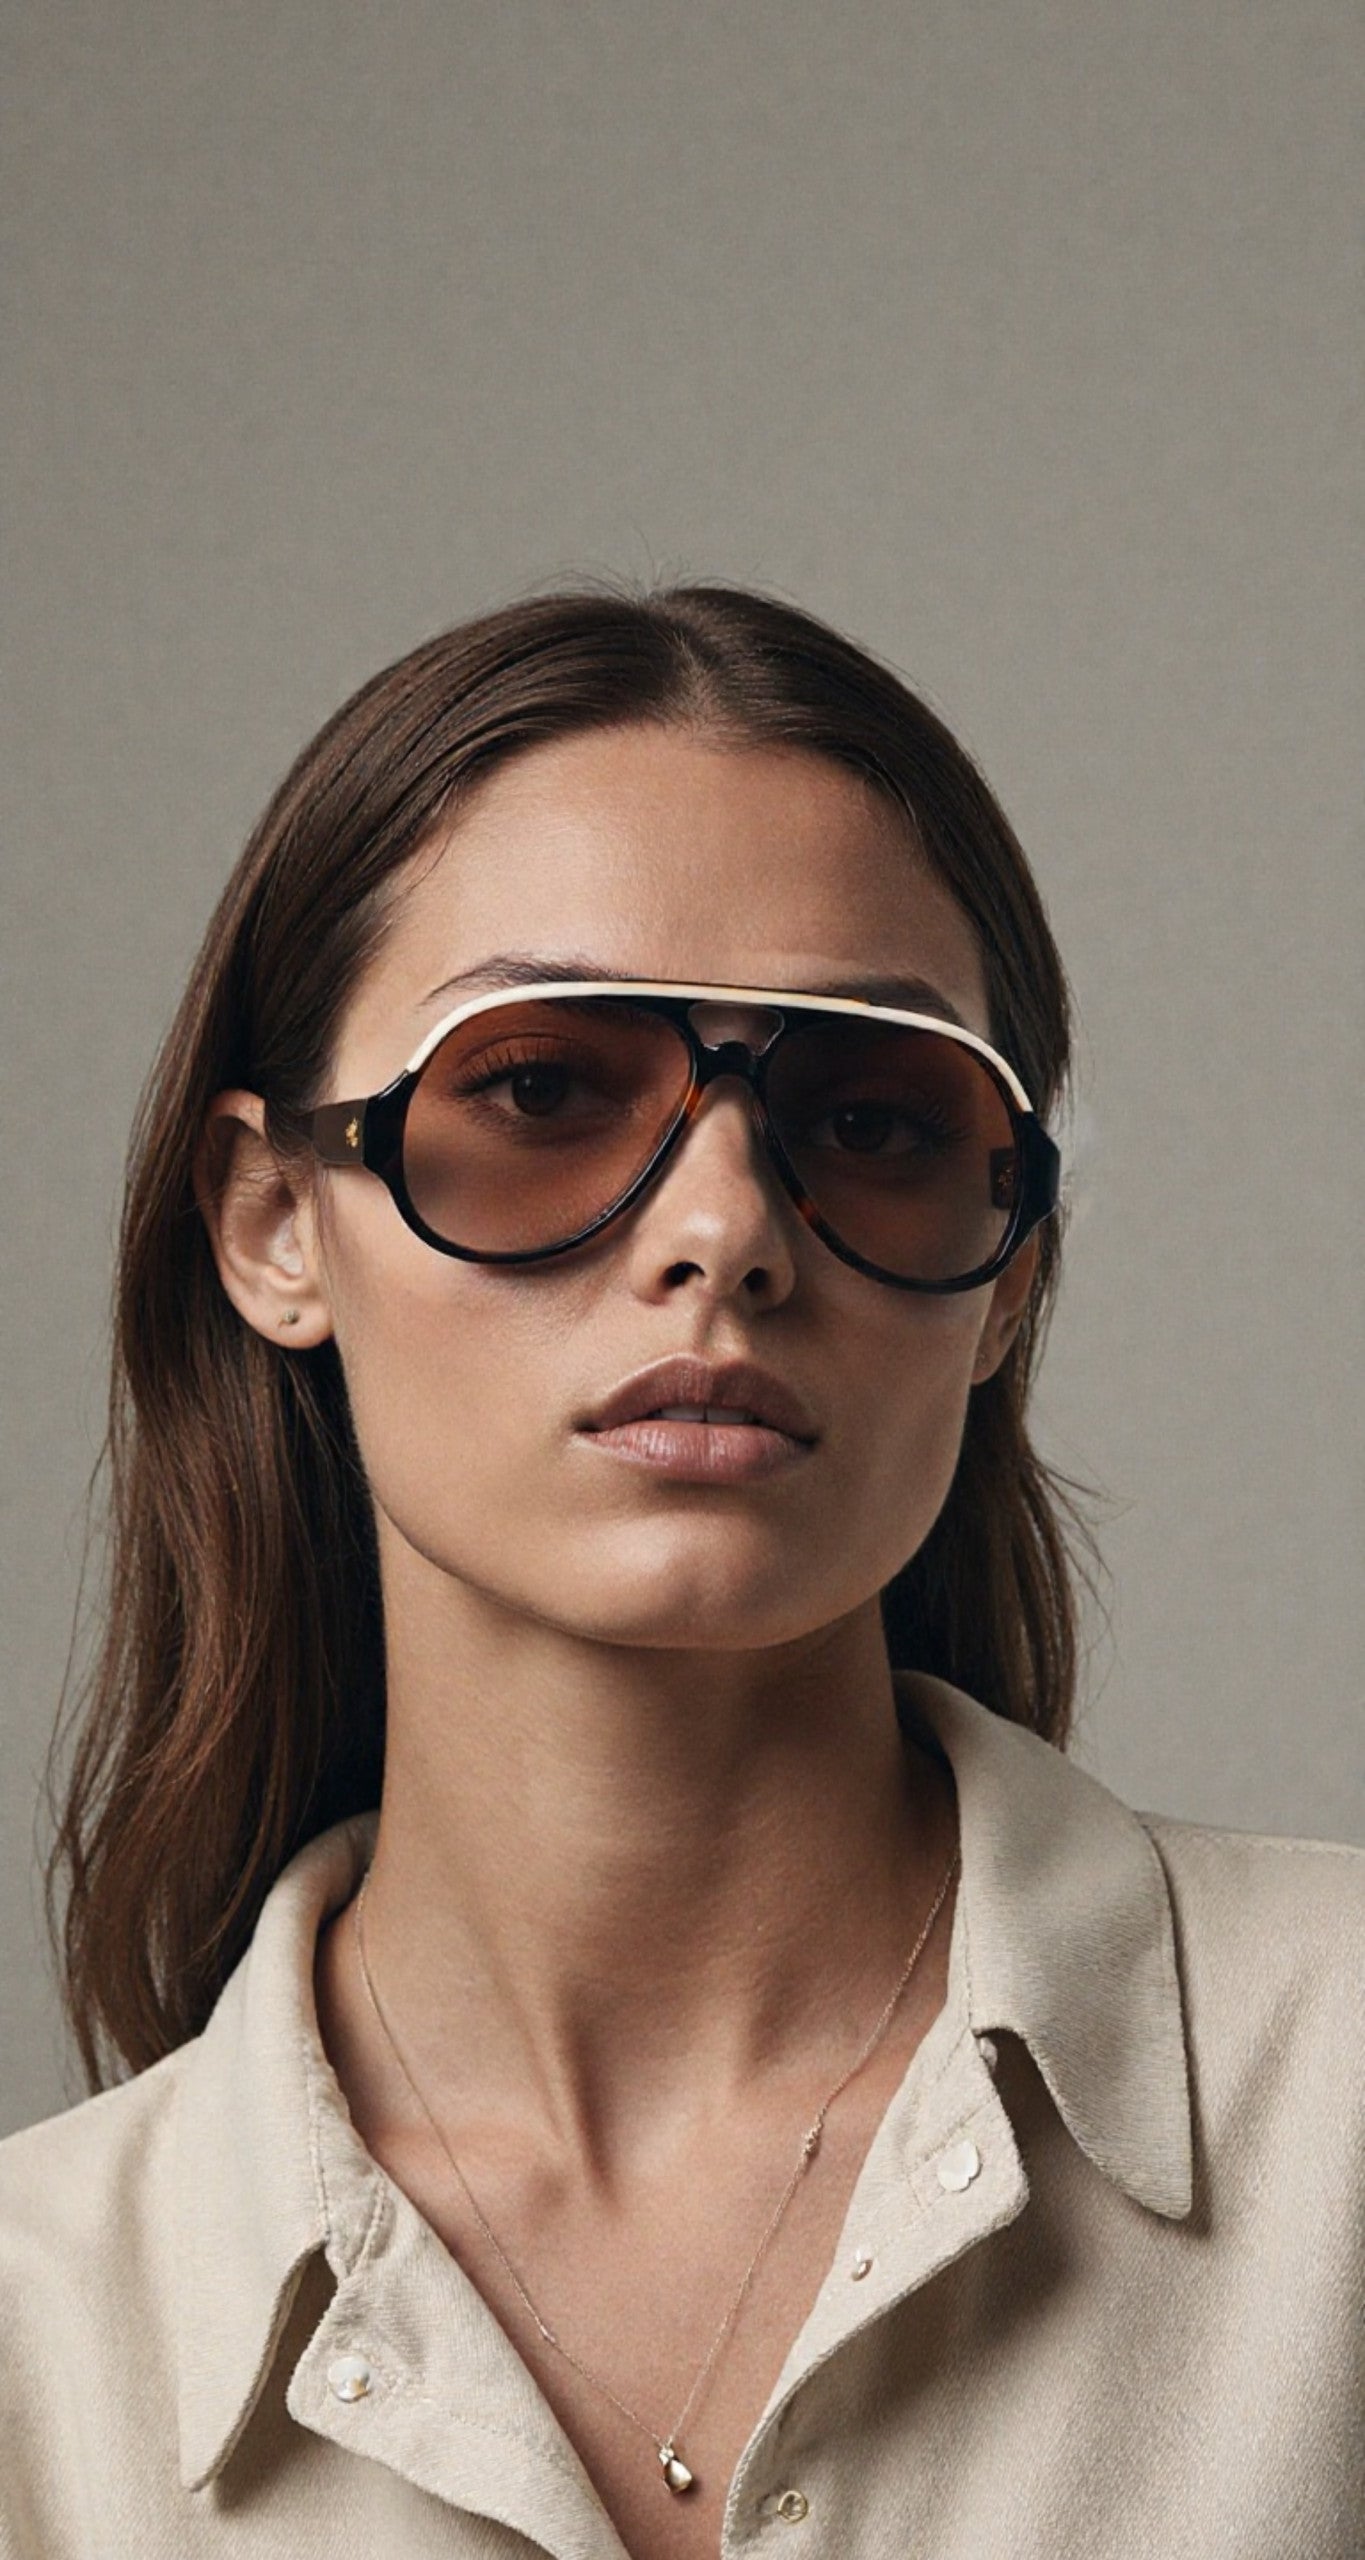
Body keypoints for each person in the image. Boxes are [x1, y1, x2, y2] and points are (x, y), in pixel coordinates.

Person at [2, 586, 1361, 2560]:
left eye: (870, 1115)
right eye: (541, 1089)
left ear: (1007, 1278)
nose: (722, 1227)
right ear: (274, 1220)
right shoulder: (43, 2350)